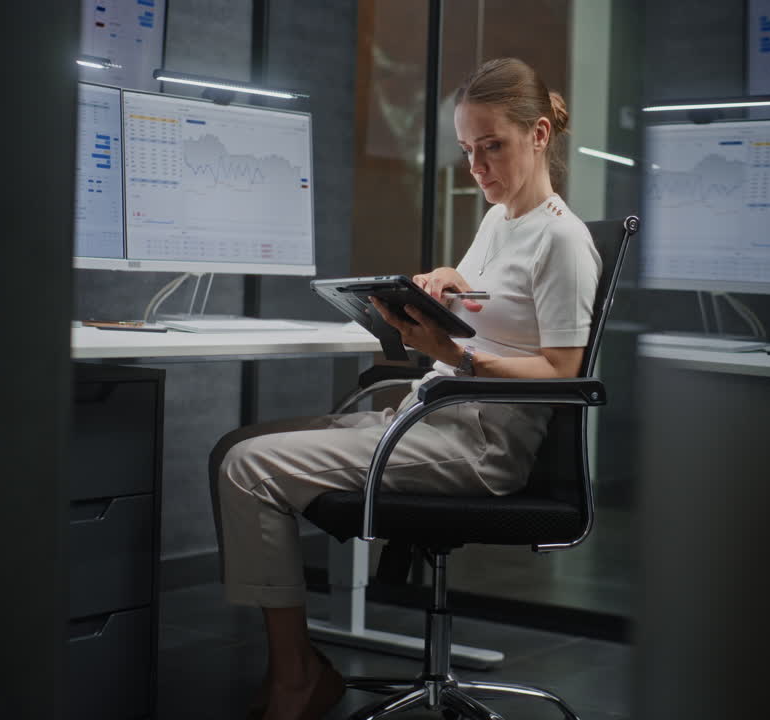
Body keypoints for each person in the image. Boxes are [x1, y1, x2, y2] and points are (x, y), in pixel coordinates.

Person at [207, 57, 600, 720]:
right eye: (468, 152)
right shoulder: (501, 221)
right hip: (435, 417)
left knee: (249, 468)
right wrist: (446, 280)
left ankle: (298, 677)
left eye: (493, 147)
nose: (477, 170)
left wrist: (452, 354)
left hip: (479, 444)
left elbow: (565, 373)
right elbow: (493, 306)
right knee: (238, 445)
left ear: (538, 135)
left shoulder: (563, 239)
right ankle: (298, 667)